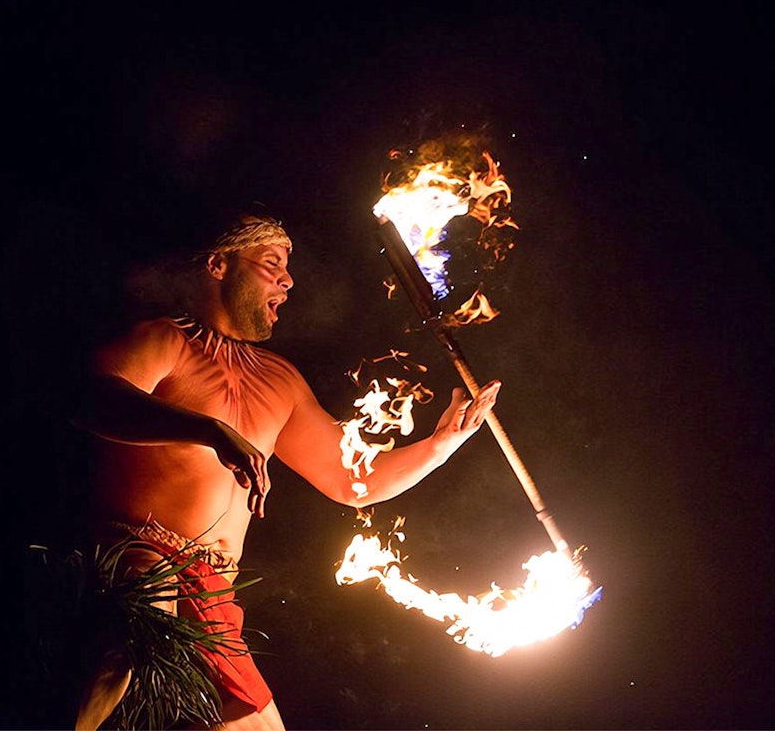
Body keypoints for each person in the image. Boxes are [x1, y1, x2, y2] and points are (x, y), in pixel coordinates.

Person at [71, 212, 500, 730]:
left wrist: (440, 444)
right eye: (271, 264)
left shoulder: (280, 380)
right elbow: (92, 399)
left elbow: (351, 483)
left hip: (214, 595)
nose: (288, 280)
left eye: (287, 269)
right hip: (135, 556)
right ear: (218, 265)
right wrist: (209, 430)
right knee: (131, 637)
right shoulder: (164, 341)